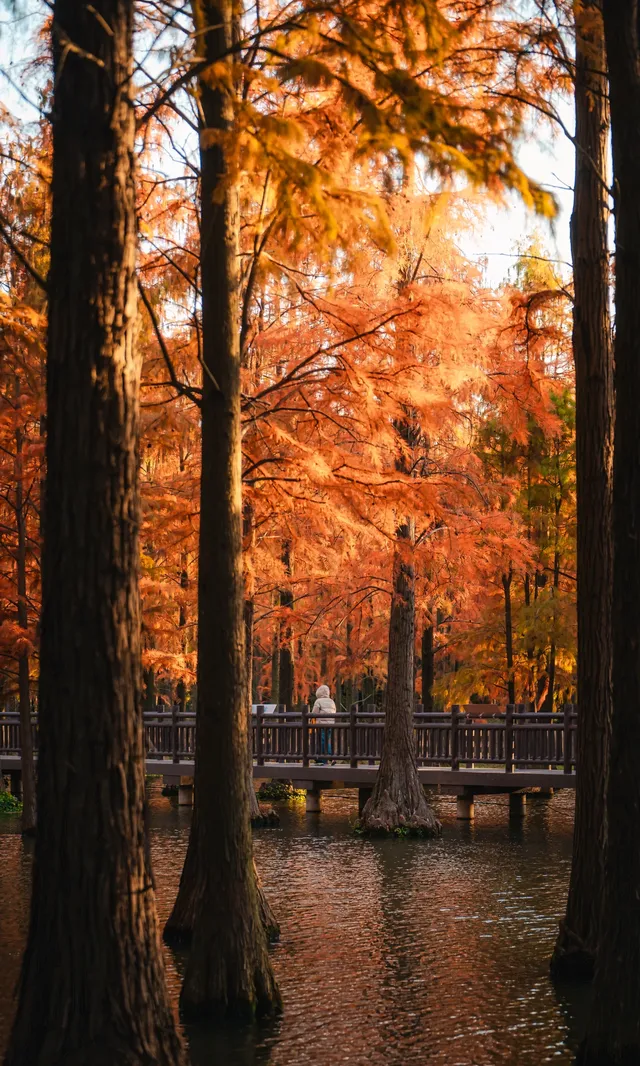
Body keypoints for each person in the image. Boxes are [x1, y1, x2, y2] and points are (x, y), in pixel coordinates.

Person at [311, 684, 336, 764]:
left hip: (321, 724)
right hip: (330, 724)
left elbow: (314, 713)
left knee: (322, 741)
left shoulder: (318, 701)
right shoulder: (332, 701)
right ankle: (323, 759)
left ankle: (330, 757)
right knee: (326, 740)